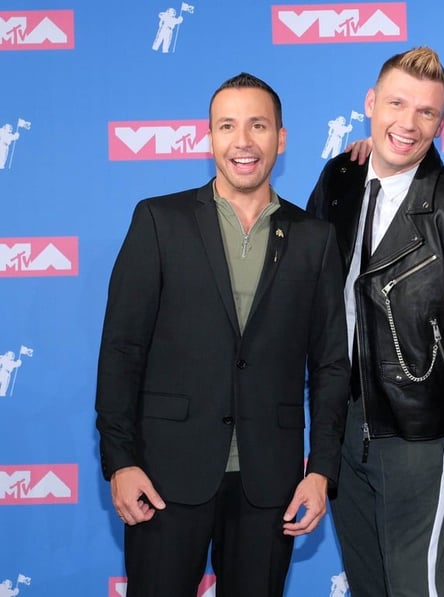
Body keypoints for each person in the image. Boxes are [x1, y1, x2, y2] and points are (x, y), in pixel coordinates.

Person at [95, 72, 349, 597]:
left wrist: (321, 470)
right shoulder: (159, 221)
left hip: (269, 484)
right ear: (208, 138)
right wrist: (120, 461)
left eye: (258, 125)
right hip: (166, 476)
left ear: (281, 138)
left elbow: (330, 365)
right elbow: (121, 350)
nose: (243, 141)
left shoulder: (314, 239)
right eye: (227, 126)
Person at [306, 47, 444, 597]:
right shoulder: (340, 178)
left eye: (427, 113)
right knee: (368, 585)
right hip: (345, 422)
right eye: (397, 104)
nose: (409, 123)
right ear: (370, 103)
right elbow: (311, 288)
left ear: (442, 123)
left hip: (424, 429)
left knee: (414, 586)